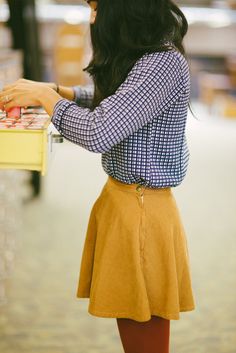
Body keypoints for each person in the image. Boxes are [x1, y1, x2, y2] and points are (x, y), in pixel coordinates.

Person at [0, 0, 196, 352]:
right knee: (133, 321)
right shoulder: (149, 57)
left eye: (95, 7)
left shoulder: (160, 63)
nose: (93, 17)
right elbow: (117, 103)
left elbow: (99, 131)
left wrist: (48, 99)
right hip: (128, 202)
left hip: (142, 212)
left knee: (143, 328)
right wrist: (61, 91)